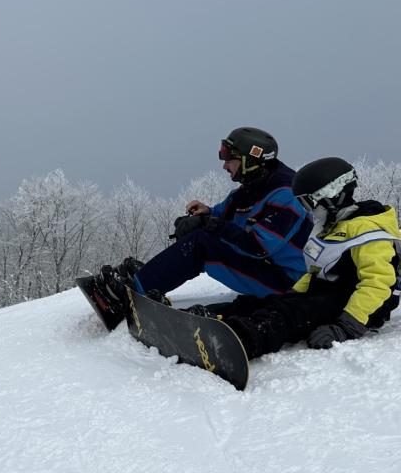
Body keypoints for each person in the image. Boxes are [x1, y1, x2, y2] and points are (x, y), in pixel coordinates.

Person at [85, 127, 312, 329]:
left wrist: (209, 224)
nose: (224, 166)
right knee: (200, 235)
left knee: (202, 245)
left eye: (229, 159)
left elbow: (258, 246)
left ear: (249, 161)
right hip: (266, 268)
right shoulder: (250, 189)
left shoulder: (287, 195)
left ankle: (130, 294)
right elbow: (221, 214)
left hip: (288, 282)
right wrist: (204, 214)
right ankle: (144, 280)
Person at [188, 157, 401, 358]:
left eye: (309, 204)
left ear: (331, 196)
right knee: (262, 303)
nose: (308, 212)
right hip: (328, 295)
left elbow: (378, 284)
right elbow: (315, 272)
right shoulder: (332, 227)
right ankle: (202, 317)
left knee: (288, 314)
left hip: (356, 306)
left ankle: (238, 341)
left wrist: (346, 326)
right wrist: (291, 294)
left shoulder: (370, 232)